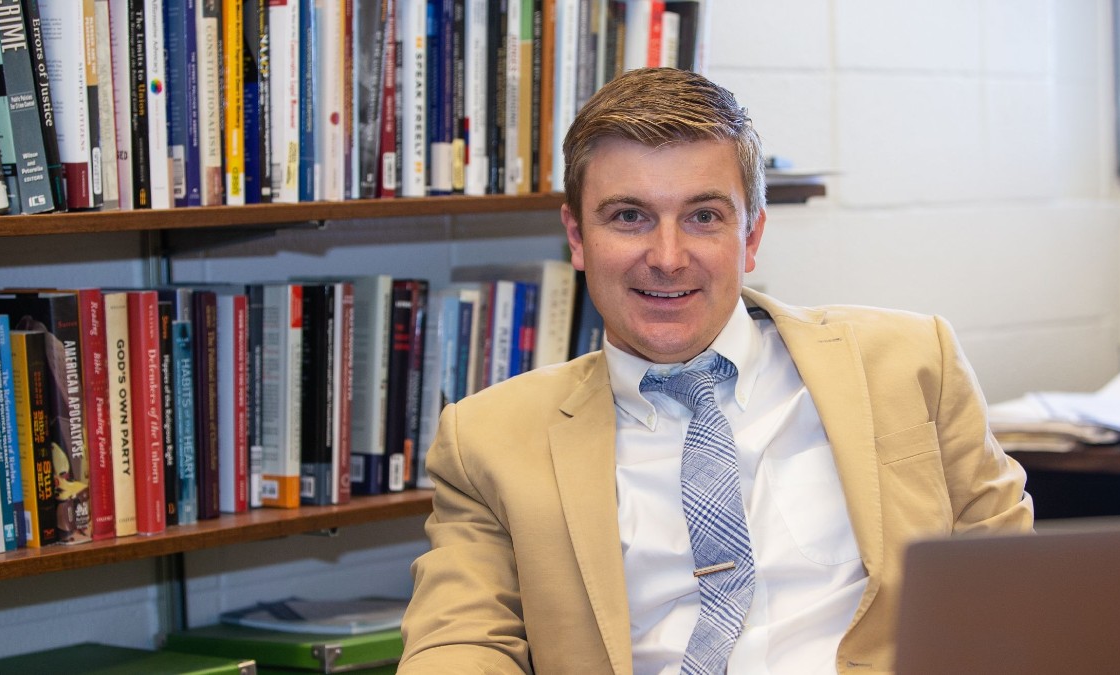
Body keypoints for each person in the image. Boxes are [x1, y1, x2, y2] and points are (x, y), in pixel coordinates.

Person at [398, 67, 1033, 675]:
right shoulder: (485, 439)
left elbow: (1015, 584)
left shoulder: (912, 361)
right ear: (577, 237)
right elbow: (460, 641)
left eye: (704, 216)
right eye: (629, 216)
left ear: (751, 235)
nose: (667, 258)